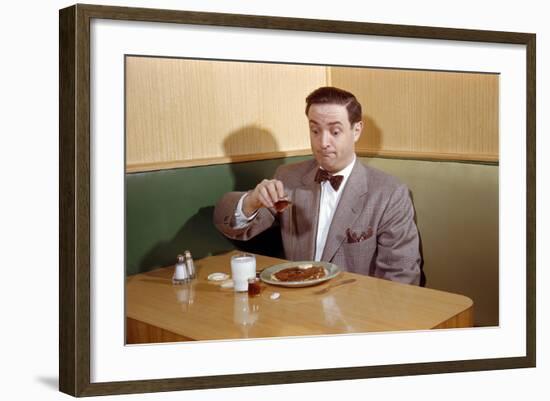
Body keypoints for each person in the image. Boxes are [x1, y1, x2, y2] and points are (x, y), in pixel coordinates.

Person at [214, 86, 421, 285]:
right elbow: (231, 224)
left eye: (335, 132)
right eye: (315, 130)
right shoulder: (288, 177)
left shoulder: (390, 193)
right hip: (294, 305)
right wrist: (251, 202)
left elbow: (401, 277)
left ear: (356, 130)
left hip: (356, 312)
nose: (323, 142)